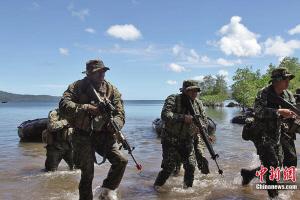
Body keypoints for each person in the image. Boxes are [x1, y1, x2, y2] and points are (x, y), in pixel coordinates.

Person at [59, 59, 127, 200]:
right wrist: (87, 108)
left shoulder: (111, 89)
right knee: (87, 173)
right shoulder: (76, 87)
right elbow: (64, 105)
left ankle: (106, 191)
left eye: (103, 71)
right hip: (82, 135)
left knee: (121, 160)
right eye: (98, 72)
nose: (102, 74)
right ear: (89, 73)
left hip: (103, 134)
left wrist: (116, 123)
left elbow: (120, 113)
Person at [240, 67, 296, 198]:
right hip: (261, 134)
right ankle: (274, 196)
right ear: (276, 80)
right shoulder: (263, 93)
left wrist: (293, 116)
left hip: (278, 134)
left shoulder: (288, 94)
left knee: (277, 165)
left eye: (288, 79)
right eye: (285, 79)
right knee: (272, 166)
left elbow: (294, 110)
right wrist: (278, 112)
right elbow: (258, 111)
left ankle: (249, 174)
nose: (288, 82)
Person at [154, 80, 208, 190]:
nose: (194, 93)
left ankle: (187, 190)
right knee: (168, 167)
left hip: (187, 140)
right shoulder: (173, 99)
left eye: (196, 91)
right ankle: (157, 187)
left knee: (191, 165)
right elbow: (165, 115)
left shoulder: (198, 103)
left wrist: (200, 126)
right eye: (191, 91)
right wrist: (183, 118)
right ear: (184, 91)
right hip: (170, 139)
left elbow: (204, 119)